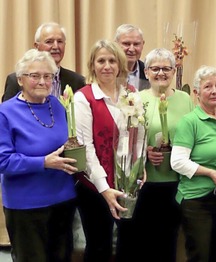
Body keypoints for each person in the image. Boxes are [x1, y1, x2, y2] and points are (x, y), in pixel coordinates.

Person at [0, 49, 77, 262]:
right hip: (26, 205)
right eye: (35, 76)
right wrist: (43, 162)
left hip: (63, 199)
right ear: (20, 80)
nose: (42, 81)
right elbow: (3, 161)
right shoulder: (5, 112)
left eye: (48, 76)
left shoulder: (60, 106)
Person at [74, 40, 132, 262]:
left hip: (126, 184)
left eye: (112, 60)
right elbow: (85, 148)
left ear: (120, 65)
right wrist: (104, 189)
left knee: (129, 244)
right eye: (101, 61)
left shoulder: (131, 94)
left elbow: (136, 138)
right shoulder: (84, 98)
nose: (107, 66)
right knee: (99, 247)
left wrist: (139, 168)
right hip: (94, 188)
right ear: (92, 65)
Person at [170, 65, 216, 261]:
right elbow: (178, 162)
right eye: (208, 87)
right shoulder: (189, 122)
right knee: (202, 256)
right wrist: (210, 173)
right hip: (197, 200)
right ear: (197, 93)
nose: (214, 91)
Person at [135, 48, 194, 261]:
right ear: (147, 72)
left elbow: (193, 134)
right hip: (147, 182)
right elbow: (128, 139)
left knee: (169, 240)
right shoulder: (136, 99)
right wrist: (145, 153)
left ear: (174, 71)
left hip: (177, 182)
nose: (161, 73)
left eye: (167, 68)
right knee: (145, 241)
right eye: (155, 68)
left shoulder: (185, 99)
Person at [3, 22, 85, 102]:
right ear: (36, 46)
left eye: (60, 41)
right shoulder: (17, 79)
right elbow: (7, 113)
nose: (56, 46)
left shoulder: (78, 81)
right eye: (49, 42)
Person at [114, 24, 149, 91]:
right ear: (116, 44)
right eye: (126, 44)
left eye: (136, 44)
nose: (131, 49)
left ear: (142, 44)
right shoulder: (106, 71)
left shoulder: (149, 73)